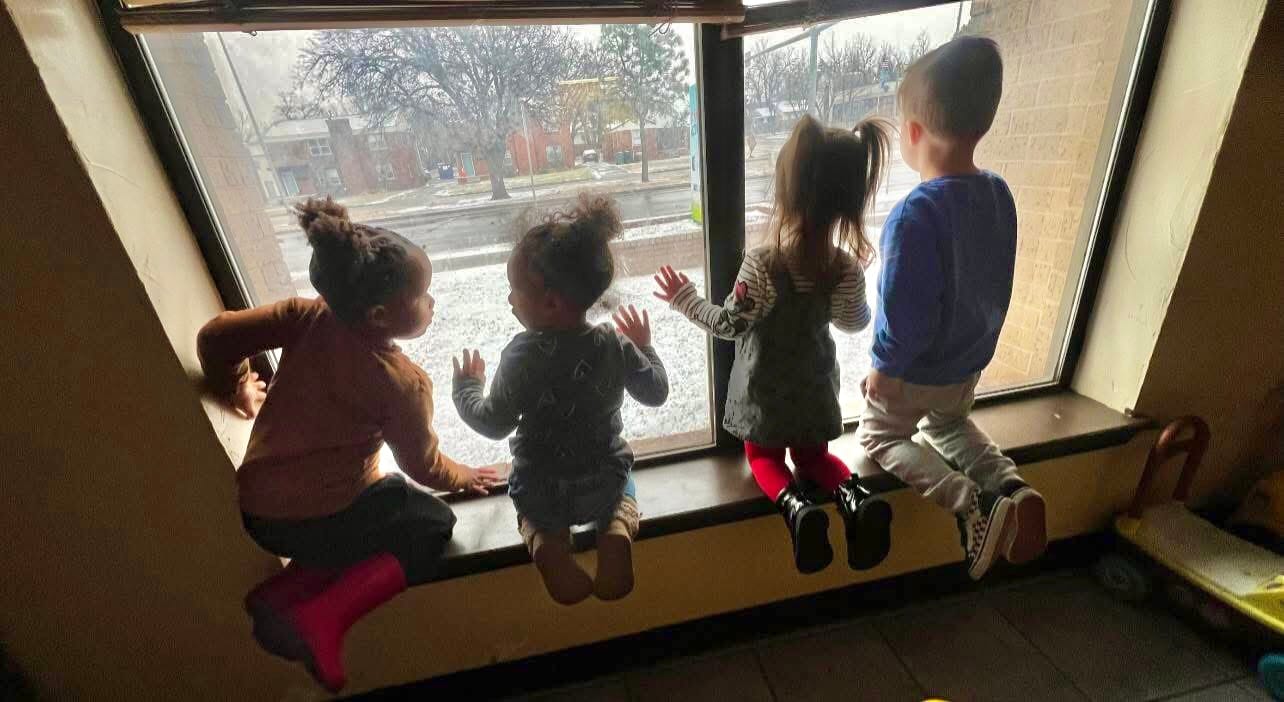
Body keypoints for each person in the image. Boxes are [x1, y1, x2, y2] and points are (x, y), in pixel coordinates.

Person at [197, 198, 499, 692]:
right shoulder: (402, 382)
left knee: (377, 503)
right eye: (423, 295)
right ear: (380, 315)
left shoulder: (306, 315)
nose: (432, 304)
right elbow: (422, 467)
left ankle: (284, 593)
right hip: (321, 521)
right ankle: (327, 617)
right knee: (430, 523)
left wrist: (236, 386)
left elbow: (214, 338)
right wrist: (463, 476)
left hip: (257, 514)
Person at [655, 114, 893, 574]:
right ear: (848, 201)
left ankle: (796, 510)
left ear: (787, 190)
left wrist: (686, 299)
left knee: (762, 456)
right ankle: (855, 497)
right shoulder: (843, 267)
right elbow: (852, 323)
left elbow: (729, 324)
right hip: (814, 392)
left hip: (764, 395)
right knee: (816, 457)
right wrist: (859, 277)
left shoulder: (762, 265)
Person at [859, 36, 1047, 582]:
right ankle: (1010, 485)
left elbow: (904, 310)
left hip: (917, 370)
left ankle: (971, 502)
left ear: (913, 135)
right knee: (950, 426)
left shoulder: (914, 214)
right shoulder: (998, 194)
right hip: (967, 363)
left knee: (881, 437)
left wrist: (884, 372)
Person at [453, 194, 668, 605]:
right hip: (601, 480)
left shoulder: (520, 356)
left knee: (532, 512)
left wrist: (466, 388)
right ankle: (617, 530)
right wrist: (645, 347)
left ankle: (549, 547)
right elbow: (656, 392)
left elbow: (494, 423)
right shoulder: (614, 343)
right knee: (625, 483)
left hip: (542, 488)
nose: (509, 300)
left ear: (550, 302)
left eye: (514, 291)